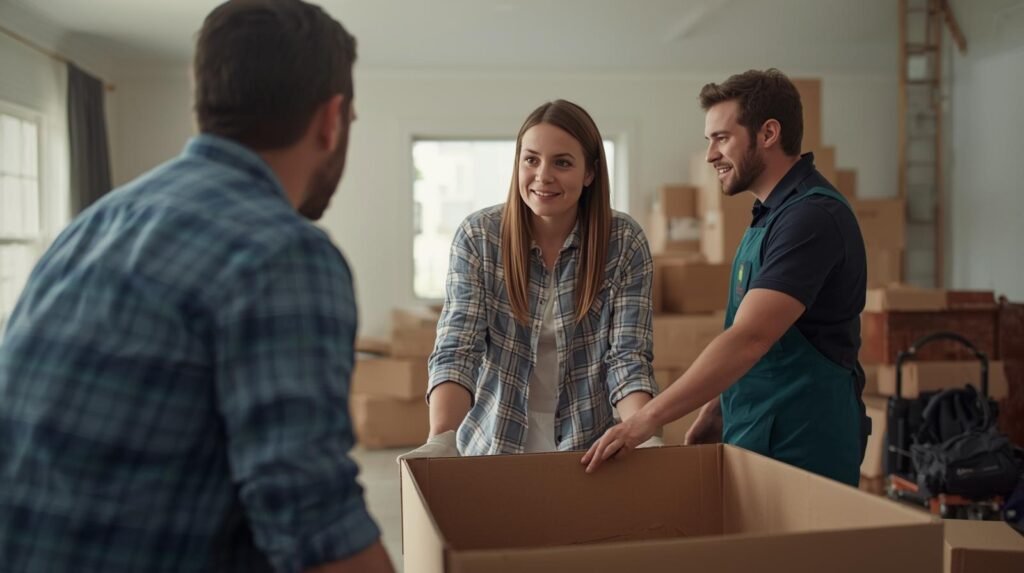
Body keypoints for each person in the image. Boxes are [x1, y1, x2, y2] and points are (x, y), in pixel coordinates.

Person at [0, 1, 393, 571]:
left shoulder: (96, 224)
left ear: (201, 99)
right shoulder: (282, 252)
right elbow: (314, 524)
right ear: (331, 120)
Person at [583, 69, 870, 486]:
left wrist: (642, 422)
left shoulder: (810, 219)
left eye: (721, 138)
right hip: (761, 433)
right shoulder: (771, 215)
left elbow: (750, 337)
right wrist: (720, 405)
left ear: (768, 133)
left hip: (804, 444)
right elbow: (769, 334)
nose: (710, 155)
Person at [400, 100, 661, 458]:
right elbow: (459, 348)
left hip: (590, 450)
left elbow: (627, 358)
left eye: (562, 163)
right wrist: (440, 440)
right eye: (531, 160)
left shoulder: (623, 241)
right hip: (492, 447)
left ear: (589, 173)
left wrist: (644, 435)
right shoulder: (479, 237)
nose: (543, 176)